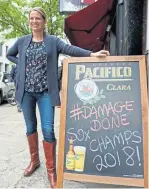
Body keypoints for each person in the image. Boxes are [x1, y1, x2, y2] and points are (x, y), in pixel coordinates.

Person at [6, 7, 110, 188]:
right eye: (31, 18)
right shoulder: (22, 42)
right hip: (26, 93)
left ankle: (51, 170)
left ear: (44, 21)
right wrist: (21, 64)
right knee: (30, 127)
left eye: (38, 18)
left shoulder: (53, 41)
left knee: (48, 130)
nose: (34, 21)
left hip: (46, 92)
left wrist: (91, 54)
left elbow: (70, 49)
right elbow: (10, 55)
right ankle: (34, 161)